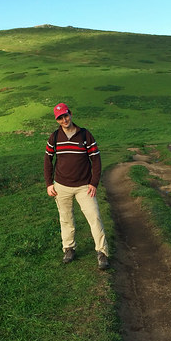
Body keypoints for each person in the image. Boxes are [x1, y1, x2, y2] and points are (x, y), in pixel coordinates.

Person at [44, 102, 110, 270]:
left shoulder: (85, 135)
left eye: (66, 115)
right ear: (57, 120)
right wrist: (49, 183)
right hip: (61, 186)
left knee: (94, 217)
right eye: (60, 118)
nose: (64, 120)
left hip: (84, 187)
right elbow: (48, 159)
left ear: (70, 114)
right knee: (66, 219)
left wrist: (94, 183)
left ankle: (102, 253)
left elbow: (96, 159)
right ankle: (69, 249)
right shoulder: (54, 137)